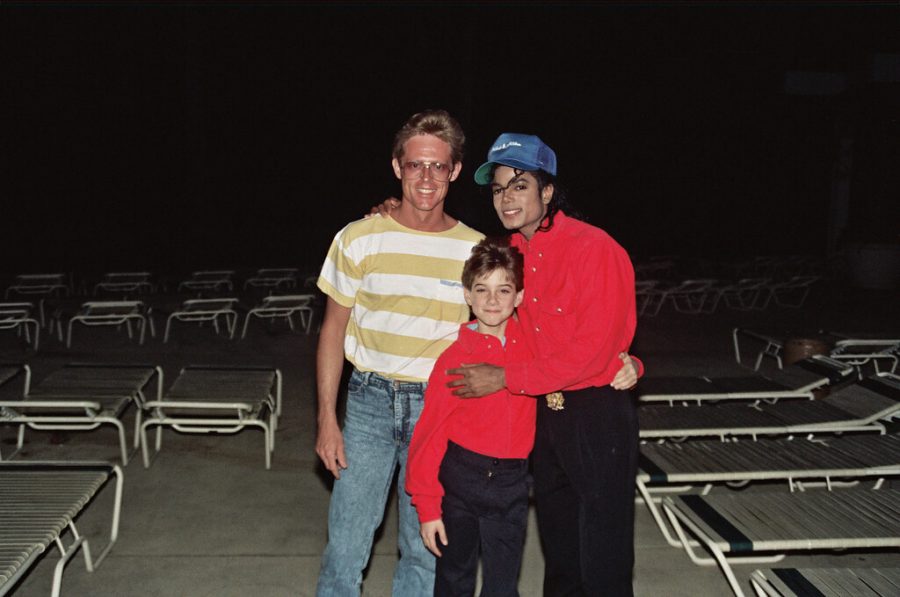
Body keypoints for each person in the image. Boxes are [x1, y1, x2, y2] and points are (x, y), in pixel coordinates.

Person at [448, 133, 642, 596]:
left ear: (548, 190)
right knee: (559, 552)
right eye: (497, 188)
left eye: (519, 184)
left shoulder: (595, 248)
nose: (506, 197)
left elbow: (592, 353)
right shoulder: (512, 253)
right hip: (545, 415)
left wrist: (505, 378)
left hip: (595, 414)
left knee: (603, 555)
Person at [314, 109, 484, 596]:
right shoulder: (358, 237)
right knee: (345, 547)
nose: (426, 178)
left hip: (439, 407)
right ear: (397, 167)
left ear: (454, 170)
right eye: (415, 165)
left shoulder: (474, 250)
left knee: (425, 548)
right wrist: (326, 417)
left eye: (437, 166)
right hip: (368, 404)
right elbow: (331, 331)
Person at [405, 237, 533, 596]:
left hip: (512, 484)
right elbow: (428, 436)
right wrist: (428, 507)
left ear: (519, 297)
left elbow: (575, 364)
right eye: (482, 289)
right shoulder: (453, 359)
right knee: (453, 580)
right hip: (459, 481)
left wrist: (629, 362)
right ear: (467, 295)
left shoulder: (533, 351)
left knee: (503, 586)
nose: (492, 300)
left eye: (503, 290)